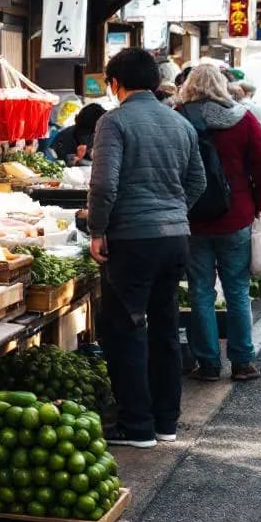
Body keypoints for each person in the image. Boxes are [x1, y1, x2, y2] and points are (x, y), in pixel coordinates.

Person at [88, 48, 205, 448]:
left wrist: (98, 230)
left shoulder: (113, 121)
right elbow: (198, 182)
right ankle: (166, 423)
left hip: (132, 240)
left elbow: (104, 184)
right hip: (175, 240)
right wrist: (174, 213)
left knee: (127, 329)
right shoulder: (180, 122)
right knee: (166, 328)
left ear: (115, 83)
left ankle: (136, 425)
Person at [178, 65, 261, 383]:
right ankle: (243, 362)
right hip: (236, 215)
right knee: (237, 289)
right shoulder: (242, 118)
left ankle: (208, 364)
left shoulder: (179, 117)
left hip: (193, 217)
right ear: (222, 85)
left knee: (200, 291)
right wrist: (258, 205)